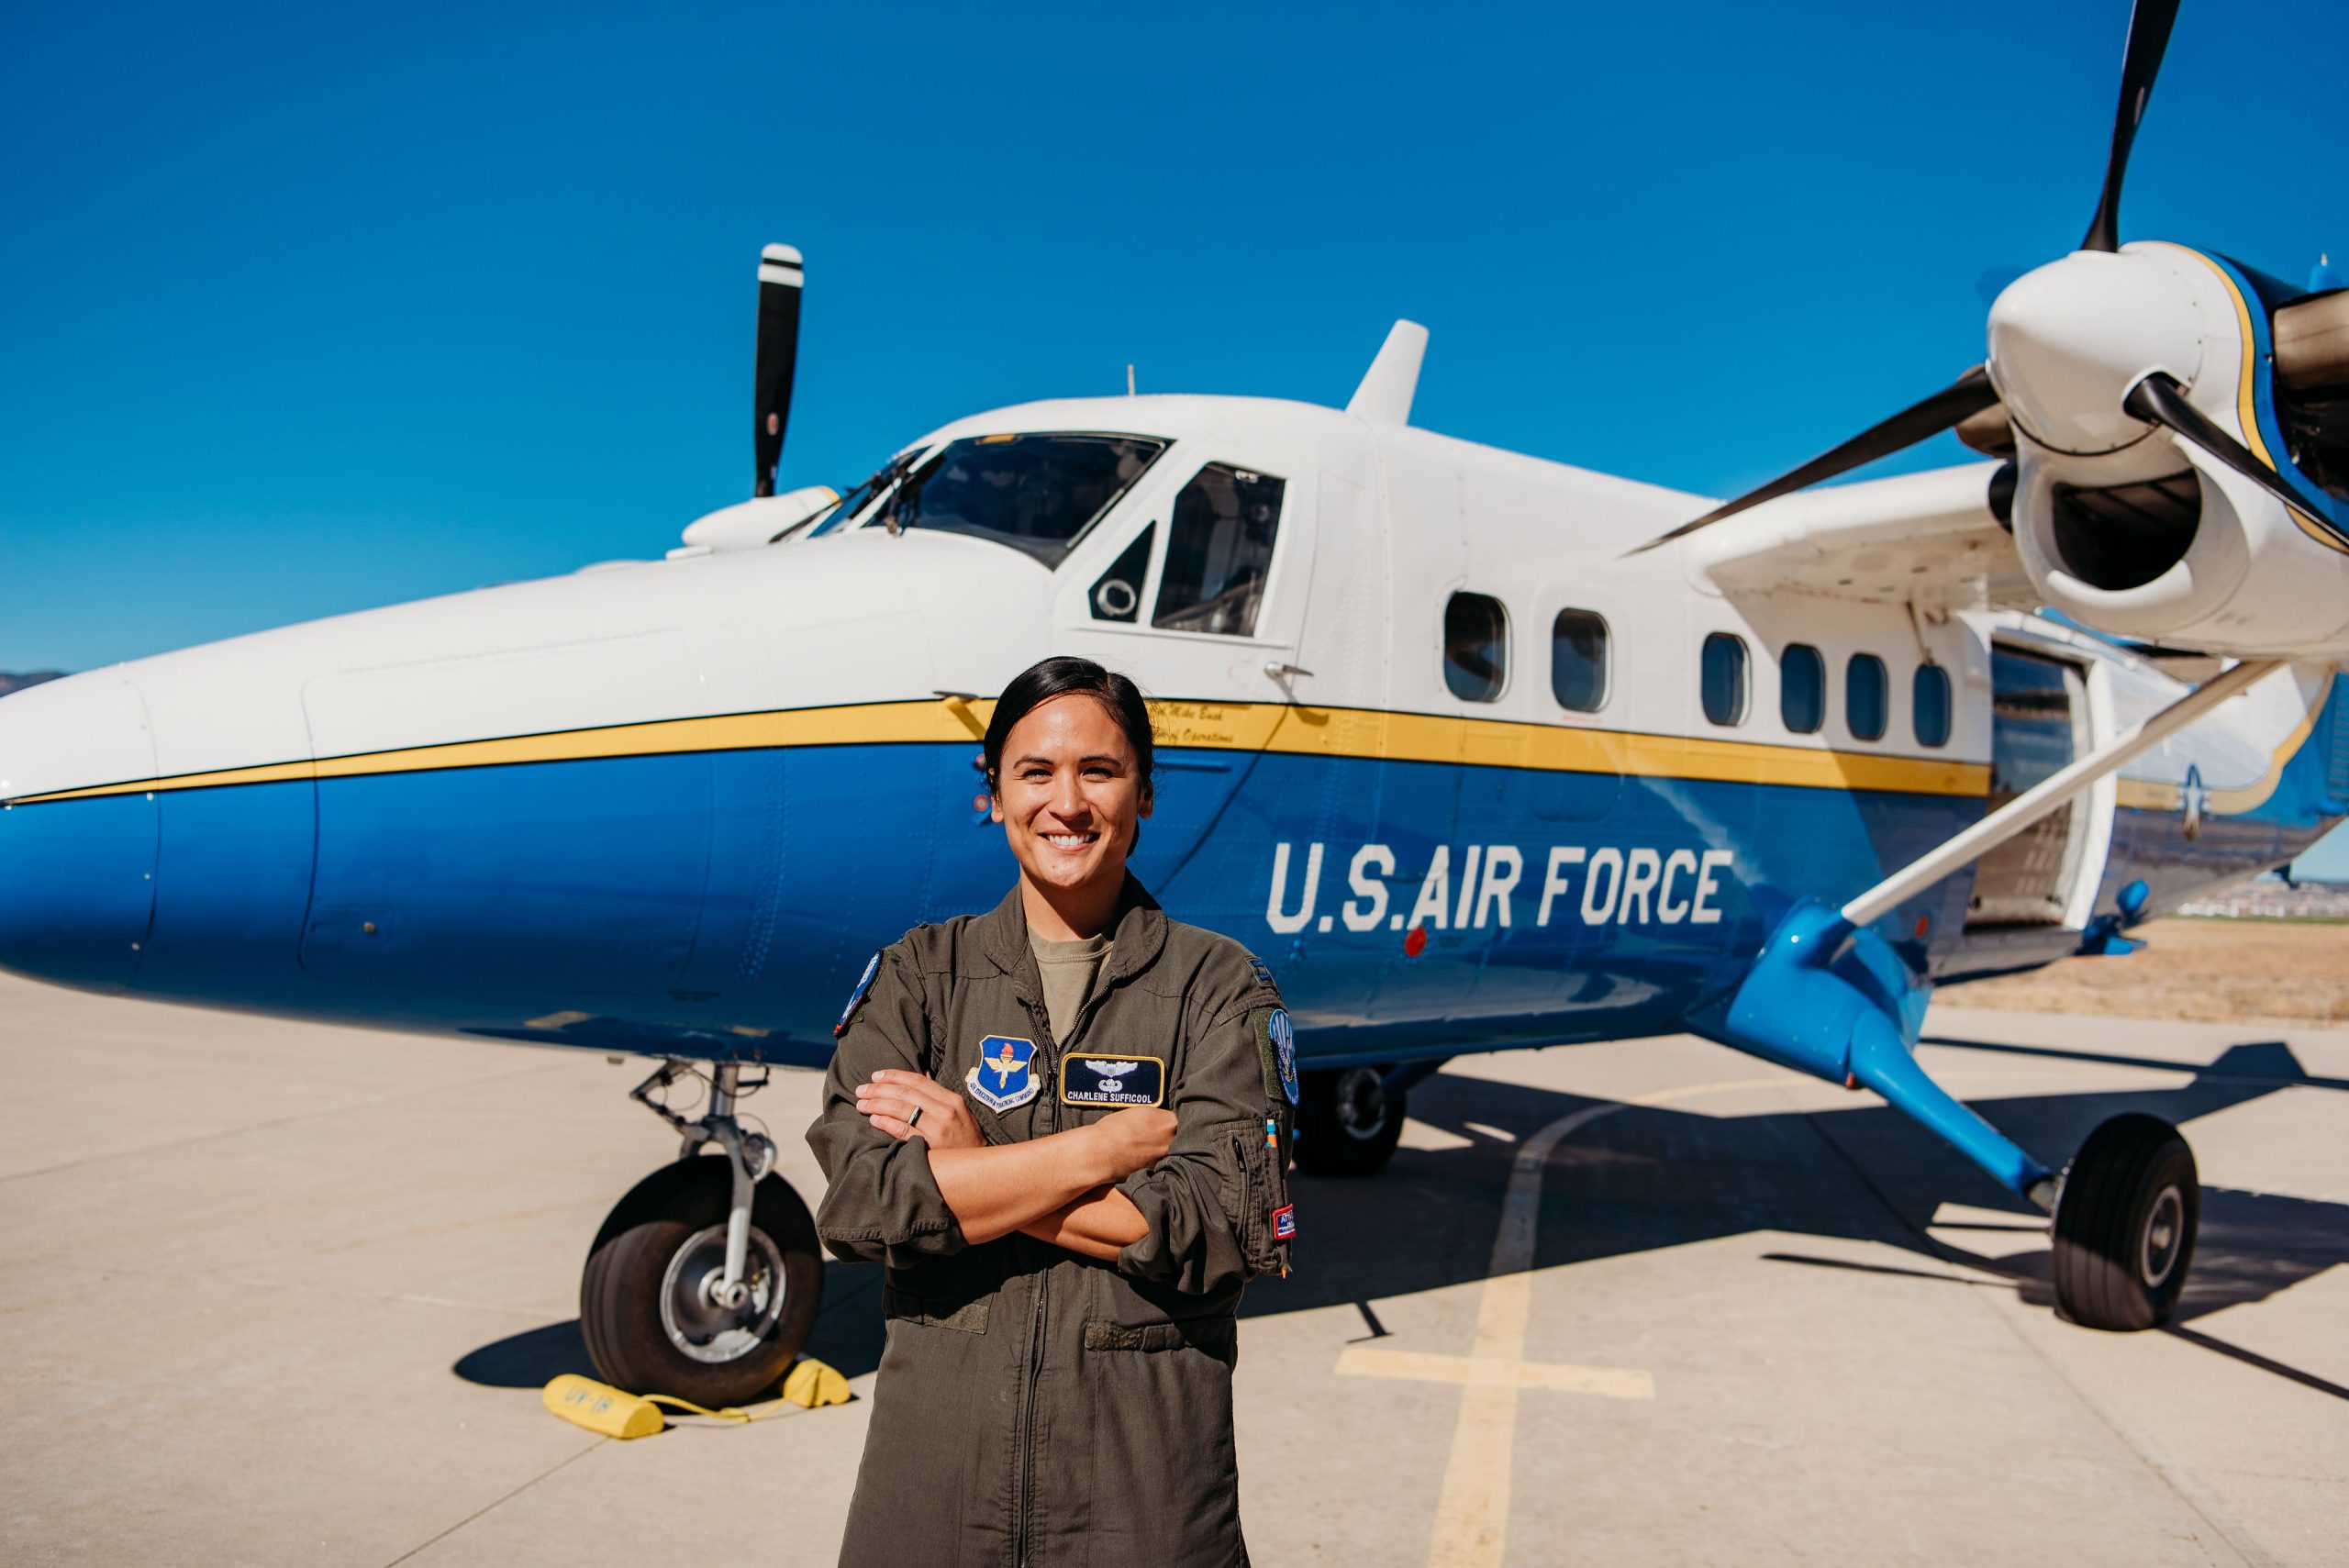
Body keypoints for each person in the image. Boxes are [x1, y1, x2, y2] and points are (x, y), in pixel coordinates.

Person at [807, 655, 1297, 1568]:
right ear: (992, 791)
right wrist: (1100, 1150)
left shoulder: (1218, 987)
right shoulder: (922, 974)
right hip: (932, 1498)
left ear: (1144, 792)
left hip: (1143, 1501)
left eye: (1098, 771)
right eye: (1034, 771)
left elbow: (1222, 1227)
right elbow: (863, 1204)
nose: (1065, 802)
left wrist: (968, 1163)